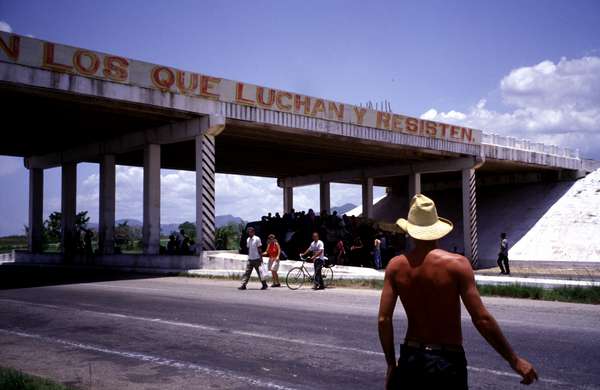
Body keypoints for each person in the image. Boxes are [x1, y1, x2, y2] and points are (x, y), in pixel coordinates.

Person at [378, 194, 537, 389]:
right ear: (437, 230)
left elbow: (383, 320)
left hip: (411, 358)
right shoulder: (457, 265)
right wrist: (514, 360)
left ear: (410, 231)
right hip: (447, 361)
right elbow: (482, 319)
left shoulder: (395, 266)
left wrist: (391, 364)